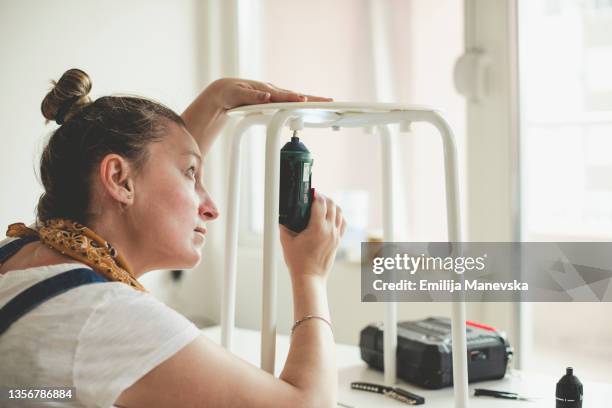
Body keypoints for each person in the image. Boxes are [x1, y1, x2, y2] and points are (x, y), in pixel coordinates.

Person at [0, 68, 346, 407]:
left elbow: (148, 176)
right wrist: (310, 275)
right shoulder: (102, 316)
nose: (210, 209)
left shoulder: (21, 254)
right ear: (119, 180)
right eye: (191, 174)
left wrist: (217, 99)